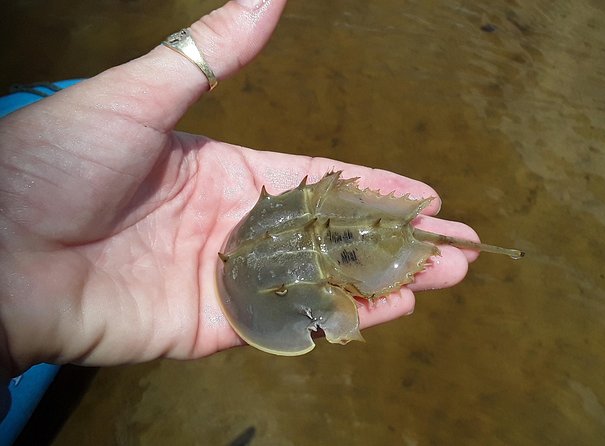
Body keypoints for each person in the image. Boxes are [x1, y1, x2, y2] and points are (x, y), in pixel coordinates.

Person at [0, 0, 479, 383]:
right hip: (332, 227)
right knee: (420, 235)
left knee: (416, 236)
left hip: (329, 238)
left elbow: (332, 315)